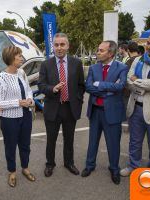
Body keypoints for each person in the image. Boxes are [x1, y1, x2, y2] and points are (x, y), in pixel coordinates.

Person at [120, 30, 150, 176]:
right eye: (148, 43)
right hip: (136, 108)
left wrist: (137, 81)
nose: (149, 46)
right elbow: (128, 81)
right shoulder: (139, 59)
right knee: (134, 142)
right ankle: (133, 167)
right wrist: (142, 83)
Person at [38, 33, 85, 177]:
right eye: (56, 45)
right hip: (53, 107)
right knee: (51, 139)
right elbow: (41, 85)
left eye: (62, 44)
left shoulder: (76, 63)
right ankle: (50, 164)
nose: (59, 48)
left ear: (68, 46)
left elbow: (81, 85)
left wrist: (77, 100)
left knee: (69, 139)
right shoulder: (46, 64)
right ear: (53, 46)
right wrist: (52, 89)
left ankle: (69, 163)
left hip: (70, 108)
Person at [82, 40, 128, 185]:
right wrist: (107, 90)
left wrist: (100, 85)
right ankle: (90, 165)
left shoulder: (122, 68)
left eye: (101, 50)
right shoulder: (93, 68)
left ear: (111, 53)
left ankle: (114, 169)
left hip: (112, 112)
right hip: (95, 110)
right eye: (98, 49)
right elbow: (88, 87)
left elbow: (120, 86)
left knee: (113, 143)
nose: (98, 52)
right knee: (92, 140)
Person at [0, 46, 36, 187]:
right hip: (9, 119)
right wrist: (18, 102)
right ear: (11, 58)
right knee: (10, 147)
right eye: (19, 56)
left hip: (26, 115)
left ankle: (25, 168)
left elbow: (28, 90)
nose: (22, 58)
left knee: (25, 145)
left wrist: (29, 99)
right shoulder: (1, 78)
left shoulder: (21, 73)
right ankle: (12, 172)